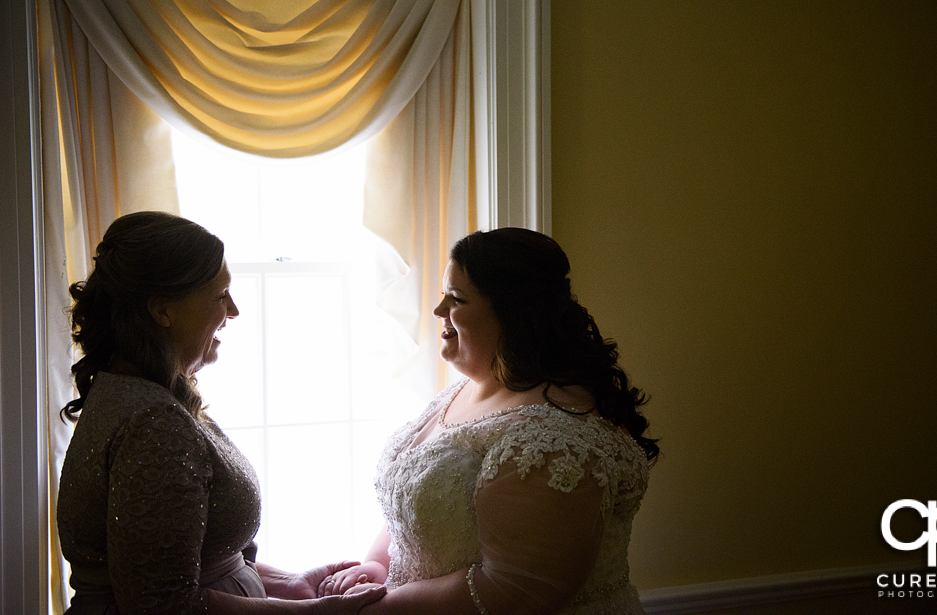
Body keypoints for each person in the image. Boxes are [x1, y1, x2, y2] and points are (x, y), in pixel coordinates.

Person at [57, 211, 385, 615]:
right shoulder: (153, 424)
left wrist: (288, 583)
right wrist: (314, 613)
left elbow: (181, 563)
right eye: (220, 295)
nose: (233, 310)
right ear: (162, 310)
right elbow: (165, 605)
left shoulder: (140, 396)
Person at [322, 228, 658, 614]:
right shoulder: (458, 393)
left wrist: (377, 608)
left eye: (457, 299)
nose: (439, 310)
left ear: (513, 315)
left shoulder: (555, 436)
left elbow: (513, 592)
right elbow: (419, 504)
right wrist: (377, 565)